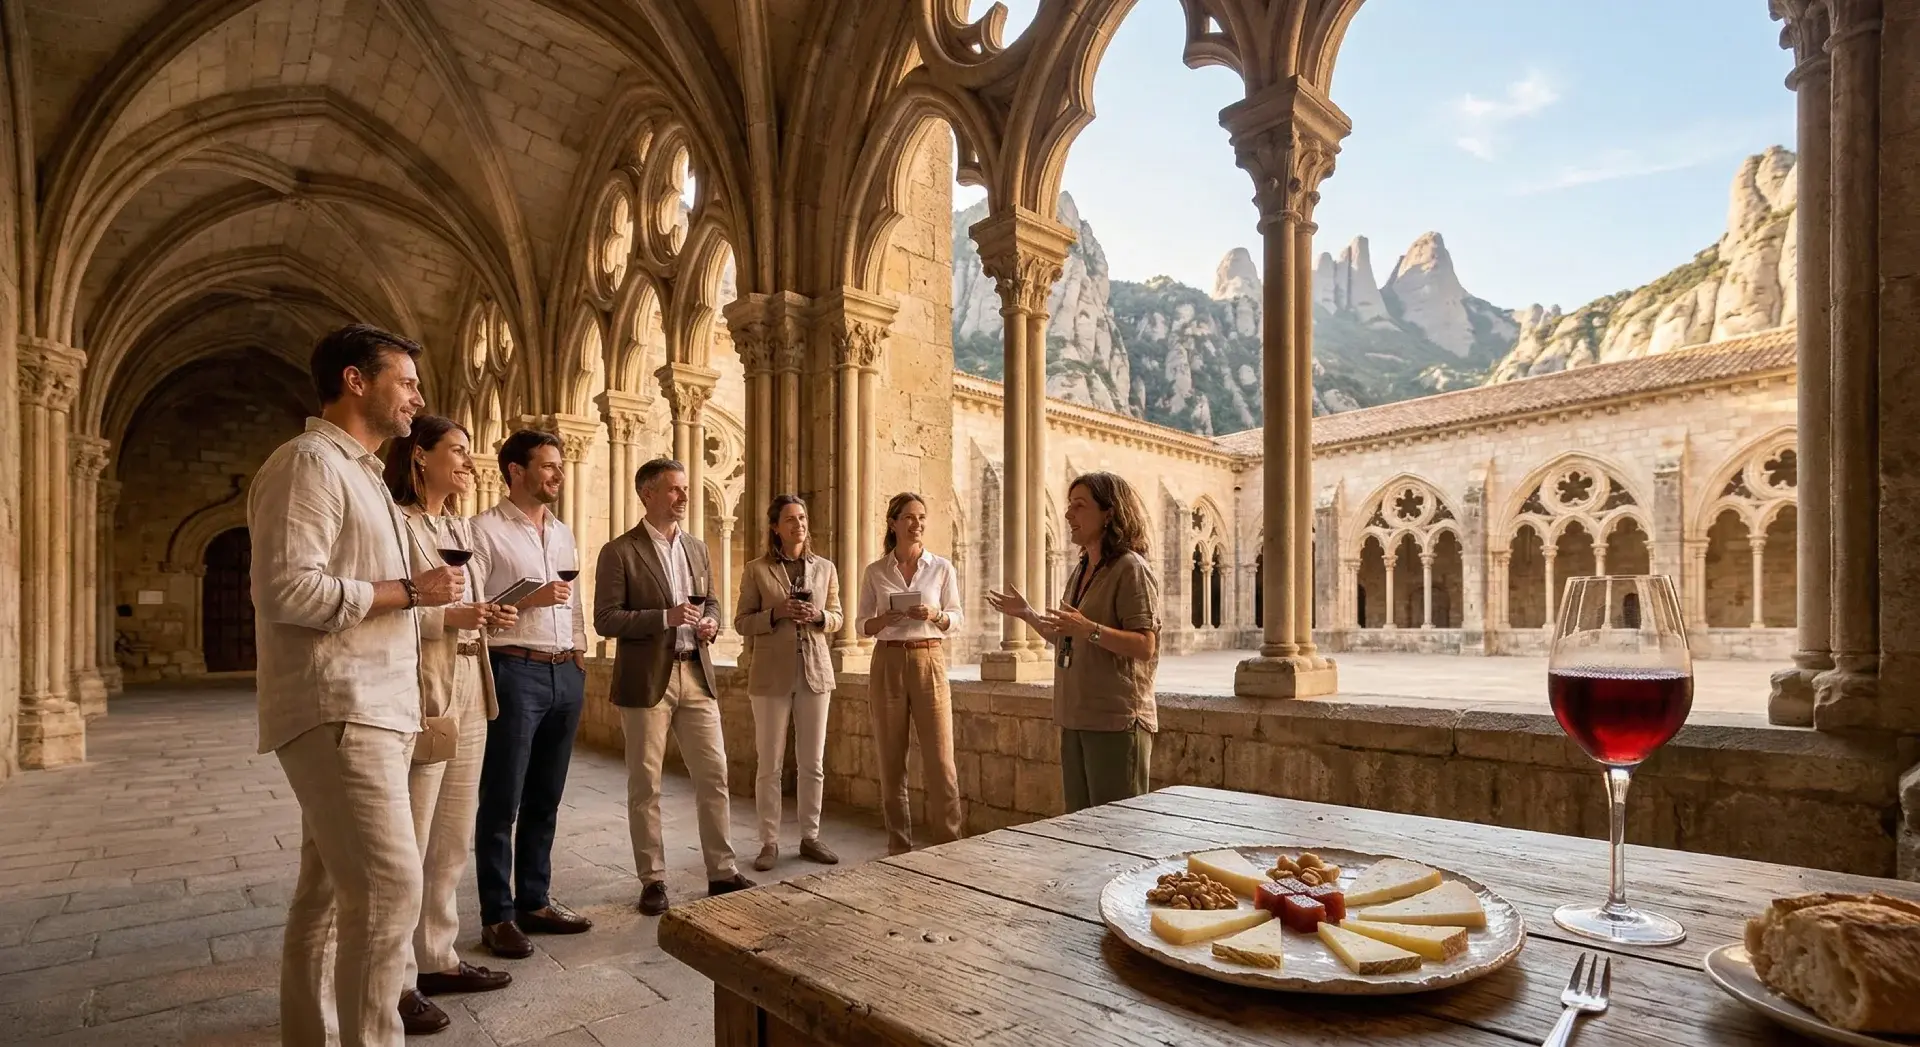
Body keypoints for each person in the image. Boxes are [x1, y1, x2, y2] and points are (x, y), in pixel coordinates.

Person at [250, 323, 461, 1046]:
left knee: (328, 895)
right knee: (387, 889)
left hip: (372, 708)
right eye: (406, 381)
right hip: (341, 708)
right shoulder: (309, 462)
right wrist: (409, 589)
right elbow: (287, 590)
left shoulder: (365, 476)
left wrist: (421, 596)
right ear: (355, 380)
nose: (418, 398)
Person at [381, 415, 517, 1034]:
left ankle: (437, 955)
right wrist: (454, 616)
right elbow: (385, 610)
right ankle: (397, 979)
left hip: (470, 682)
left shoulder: (459, 525)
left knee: (453, 836)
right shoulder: (397, 523)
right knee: (410, 838)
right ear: (420, 459)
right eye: (458, 452)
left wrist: (488, 617)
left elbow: (463, 607)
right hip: (425, 689)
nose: (469, 462)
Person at [592, 457, 753, 916]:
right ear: (647, 494)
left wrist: (711, 623)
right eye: (674, 489)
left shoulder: (698, 549)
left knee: (715, 776)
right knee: (647, 784)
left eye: (684, 489)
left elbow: (714, 602)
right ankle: (654, 879)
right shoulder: (619, 551)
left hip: (697, 675)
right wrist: (664, 618)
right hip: (647, 681)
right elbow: (605, 620)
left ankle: (722, 870)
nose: (684, 497)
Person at [468, 429, 592, 958]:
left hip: (565, 672)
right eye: (547, 466)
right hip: (514, 666)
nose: (558, 474)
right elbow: (475, 607)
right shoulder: (484, 531)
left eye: (560, 465)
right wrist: (532, 599)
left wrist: (581, 654)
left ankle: (535, 901)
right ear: (515, 471)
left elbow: (575, 601)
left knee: (546, 795)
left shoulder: (562, 532)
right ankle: (497, 916)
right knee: (503, 797)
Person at [988, 472, 1160, 813]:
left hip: (1115, 721)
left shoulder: (1130, 568)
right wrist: (1027, 614)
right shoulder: (1082, 569)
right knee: (1081, 830)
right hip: (1075, 717)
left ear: (1109, 513)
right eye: (1069, 506)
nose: (1068, 515)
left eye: (1079, 506)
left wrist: (1090, 628)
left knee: (1115, 834)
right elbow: (1067, 635)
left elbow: (1145, 645)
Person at [735, 494, 843, 871]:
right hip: (769, 676)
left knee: (813, 762)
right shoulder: (756, 569)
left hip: (815, 672)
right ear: (775, 527)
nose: (799, 524)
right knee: (770, 764)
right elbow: (741, 622)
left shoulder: (825, 568)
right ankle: (769, 843)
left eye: (802, 517)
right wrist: (775, 613)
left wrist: (819, 617)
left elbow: (838, 618)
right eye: (790, 519)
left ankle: (810, 837)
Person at [857, 492, 964, 855]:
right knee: (891, 760)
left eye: (921, 517)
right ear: (893, 523)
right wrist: (883, 619)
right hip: (887, 661)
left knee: (941, 761)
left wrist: (934, 615)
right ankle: (899, 846)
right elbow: (861, 625)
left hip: (928, 658)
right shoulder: (875, 571)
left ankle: (949, 843)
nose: (917, 524)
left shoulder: (941, 568)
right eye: (909, 517)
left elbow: (957, 619)